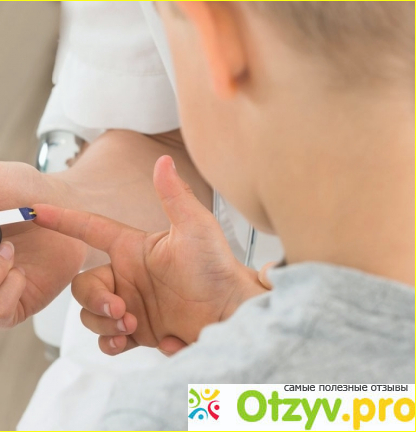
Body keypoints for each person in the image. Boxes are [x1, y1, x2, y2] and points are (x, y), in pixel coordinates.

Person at [29, 1, 415, 428]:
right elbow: (378, 408)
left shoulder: (185, 413)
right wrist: (246, 315)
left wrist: (257, 353)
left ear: (216, 35)